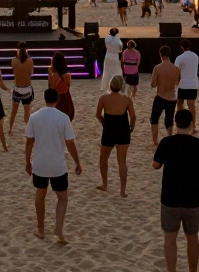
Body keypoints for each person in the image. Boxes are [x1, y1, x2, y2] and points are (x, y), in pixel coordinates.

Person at [152, 109, 199, 272]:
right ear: (191, 124)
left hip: (170, 198)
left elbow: (155, 165)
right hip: (192, 198)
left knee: (170, 239)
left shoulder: (166, 142)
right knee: (192, 238)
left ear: (176, 123)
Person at [25, 88, 82, 244]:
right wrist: (77, 162)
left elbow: (29, 142)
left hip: (40, 163)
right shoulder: (63, 118)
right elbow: (70, 143)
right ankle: (58, 229)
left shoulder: (34, 117)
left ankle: (41, 229)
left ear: (44, 99)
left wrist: (27, 162)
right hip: (57, 164)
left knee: (40, 194)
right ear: (57, 99)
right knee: (62, 197)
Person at [95, 75, 135, 197]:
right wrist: (131, 128)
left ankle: (105, 184)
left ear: (110, 85)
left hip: (109, 130)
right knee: (122, 162)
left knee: (103, 158)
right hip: (123, 130)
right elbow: (133, 117)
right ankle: (122, 191)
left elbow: (98, 114)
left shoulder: (103, 98)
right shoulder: (127, 99)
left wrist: (104, 123)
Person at [150, 45, 180, 145]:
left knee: (154, 119)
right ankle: (170, 138)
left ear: (160, 54)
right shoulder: (176, 69)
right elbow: (177, 83)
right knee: (169, 120)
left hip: (161, 96)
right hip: (172, 97)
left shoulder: (157, 68)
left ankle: (155, 141)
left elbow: (153, 84)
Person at [9, 43, 35, 133]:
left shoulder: (14, 61)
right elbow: (31, 73)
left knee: (14, 111)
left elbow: (14, 73)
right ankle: (28, 130)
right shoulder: (30, 60)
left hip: (17, 88)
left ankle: (10, 129)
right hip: (27, 88)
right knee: (27, 112)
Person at [175, 40, 199, 122]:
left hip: (183, 84)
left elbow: (176, 72)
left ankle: (179, 121)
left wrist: (175, 83)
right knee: (191, 106)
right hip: (193, 84)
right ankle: (193, 125)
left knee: (179, 104)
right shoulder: (195, 56)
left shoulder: (180, 58)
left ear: (181, 47)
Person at [49, 52, 75, 120]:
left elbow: (50, 88)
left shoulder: (52, 76)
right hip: (66, 102)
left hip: (56, 102)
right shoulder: (67, 76)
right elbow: (66, 88)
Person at [101, 28, 123, 93]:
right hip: (115, 56)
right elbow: (120, 48)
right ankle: (116, 84)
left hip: (108, 55)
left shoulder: (107, 38)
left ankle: (106, 86)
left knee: (107, 71)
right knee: (116, 71)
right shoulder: (118, 40)